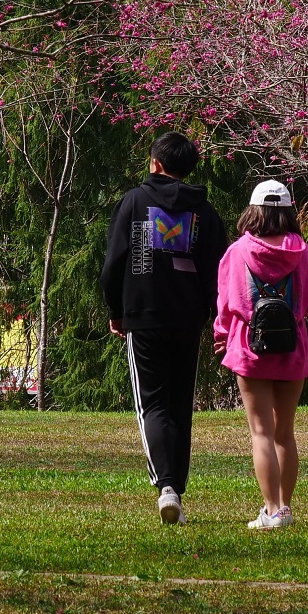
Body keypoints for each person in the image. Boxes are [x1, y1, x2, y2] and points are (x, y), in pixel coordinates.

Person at [100, 131, 228, 524]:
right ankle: (177, 487)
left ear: (155, 163)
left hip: (144, 315)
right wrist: (218, 318)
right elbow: (216, 272)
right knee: (178, 404)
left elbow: (114, 263)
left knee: (151, 404)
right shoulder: (204, 211)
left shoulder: (134, 202)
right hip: (188, 318)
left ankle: (167, 487)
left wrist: (116, 311)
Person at [214, 179, 308, 530]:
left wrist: (222, 335)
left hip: (249, 348)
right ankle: (285, 508)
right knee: (284, 433)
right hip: (292, 349)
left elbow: (227, 305)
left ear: (253, 211)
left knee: (261, 431)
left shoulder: (237, 252)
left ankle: (271, 510)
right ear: (289, 211)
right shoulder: (304, 253)